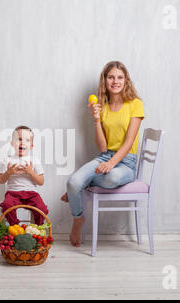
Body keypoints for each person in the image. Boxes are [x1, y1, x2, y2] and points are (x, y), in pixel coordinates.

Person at [62, 61, 145, 247]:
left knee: (111, 178)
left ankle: (80, 187)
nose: (115, 81)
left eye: (120, 77)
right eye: (111, 77)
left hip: (126, 162)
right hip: (105, 156)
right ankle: (78, 219)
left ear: (126, 80)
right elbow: (102, 147)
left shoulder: (135, 104)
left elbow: (129, 142)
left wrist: (112, 164)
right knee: (72, 182)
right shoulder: (103, 106)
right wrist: (96, 120)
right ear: (105, 80)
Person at [0, 126, 49, 226]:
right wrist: (9, 172)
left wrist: (31, 172)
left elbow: (41, 182)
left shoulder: (35, 160)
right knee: (7, 206)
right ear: (12, 143)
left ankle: (37, 228)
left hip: (31, 193)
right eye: (19, 139)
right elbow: (1, 180)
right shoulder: (7, 160)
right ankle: (16, 227)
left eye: (27, 140)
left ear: (31, 145)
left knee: (42, 208)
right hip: (13, 193)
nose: (23, 143)